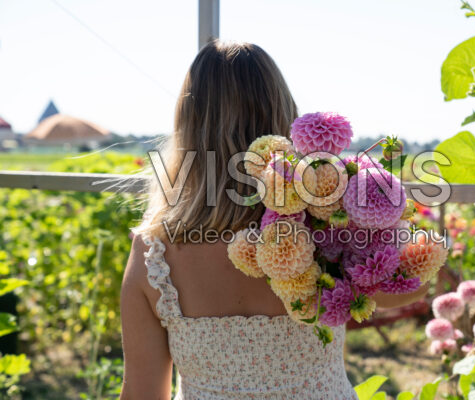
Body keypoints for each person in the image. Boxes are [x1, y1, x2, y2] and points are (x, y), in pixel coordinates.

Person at [120, 40, 428, 400]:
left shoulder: (154, 255)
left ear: (188, 129)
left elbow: (143, 392)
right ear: (285, 120)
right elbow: (411, 287)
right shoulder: (326, 225)